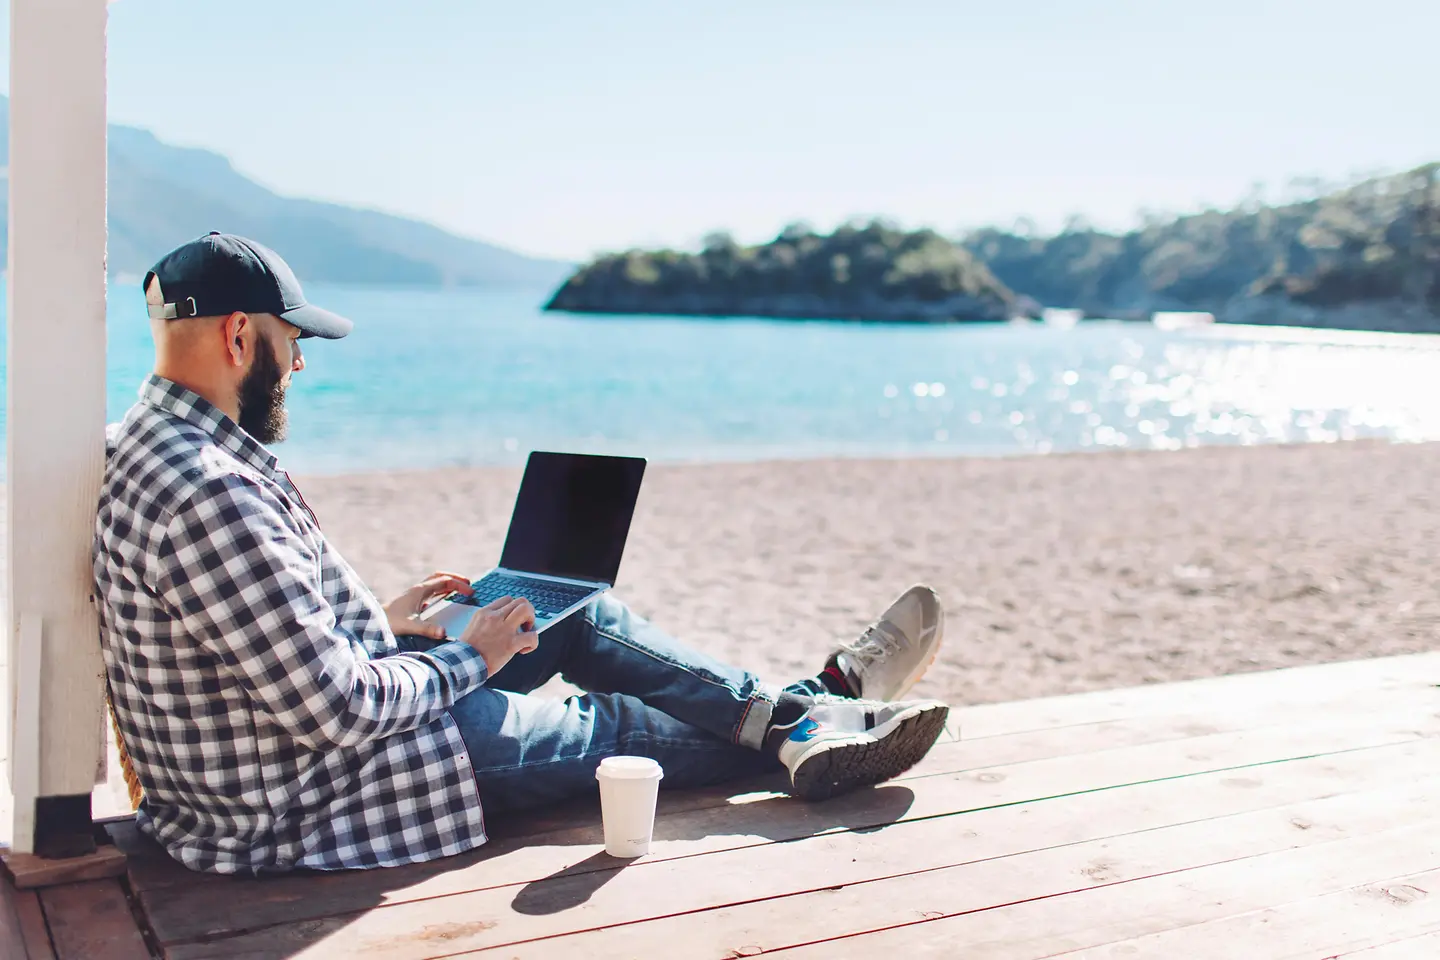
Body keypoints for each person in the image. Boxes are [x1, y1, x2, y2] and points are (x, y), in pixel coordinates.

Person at [93, 232, 951, 876]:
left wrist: (380, 626)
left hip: (284, 753)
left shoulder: (151, 443)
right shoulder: (213, 494)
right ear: (240, 337)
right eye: (295, 344)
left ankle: (797, 715)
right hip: (328, 787)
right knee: (609, 727)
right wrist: (472, 656)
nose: (302, 368)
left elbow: (260, 643)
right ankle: (818, 708)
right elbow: (338, 712)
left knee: (577, 620)